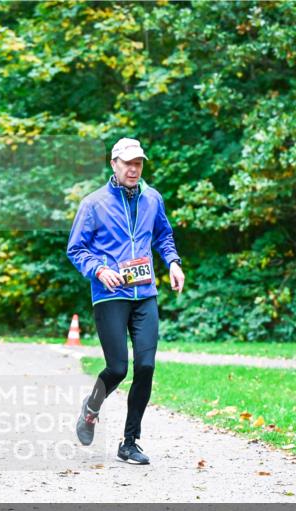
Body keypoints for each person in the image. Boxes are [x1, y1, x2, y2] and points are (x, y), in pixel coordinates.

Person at [66, 138, 185, 465]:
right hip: (110, 295)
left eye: (139, 163)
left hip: (145, 293)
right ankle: (92, 408)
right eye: (128, 163)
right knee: (118, 368)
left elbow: (163, 236)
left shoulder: (152, 198)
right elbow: (76, 249)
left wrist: (173, 263)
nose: (134, 169)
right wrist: (100, 270)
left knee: (145, 366)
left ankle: (129, 442)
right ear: (114, 164)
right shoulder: (94, 203)